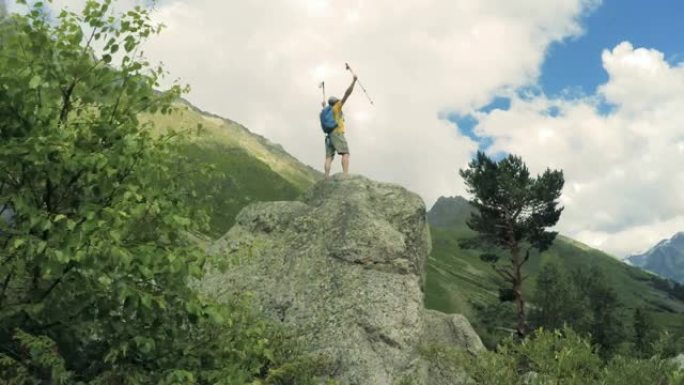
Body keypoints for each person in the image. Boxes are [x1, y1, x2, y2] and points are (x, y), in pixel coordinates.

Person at [323, 74, 357, 177]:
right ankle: (345, 175)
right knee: (345, 153)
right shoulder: (337, 107)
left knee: (329, 157)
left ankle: (326, 177)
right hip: (337, 133)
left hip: (329, 136)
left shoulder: (327, 111)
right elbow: (347, 94)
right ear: (336, 102)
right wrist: (354, 81)